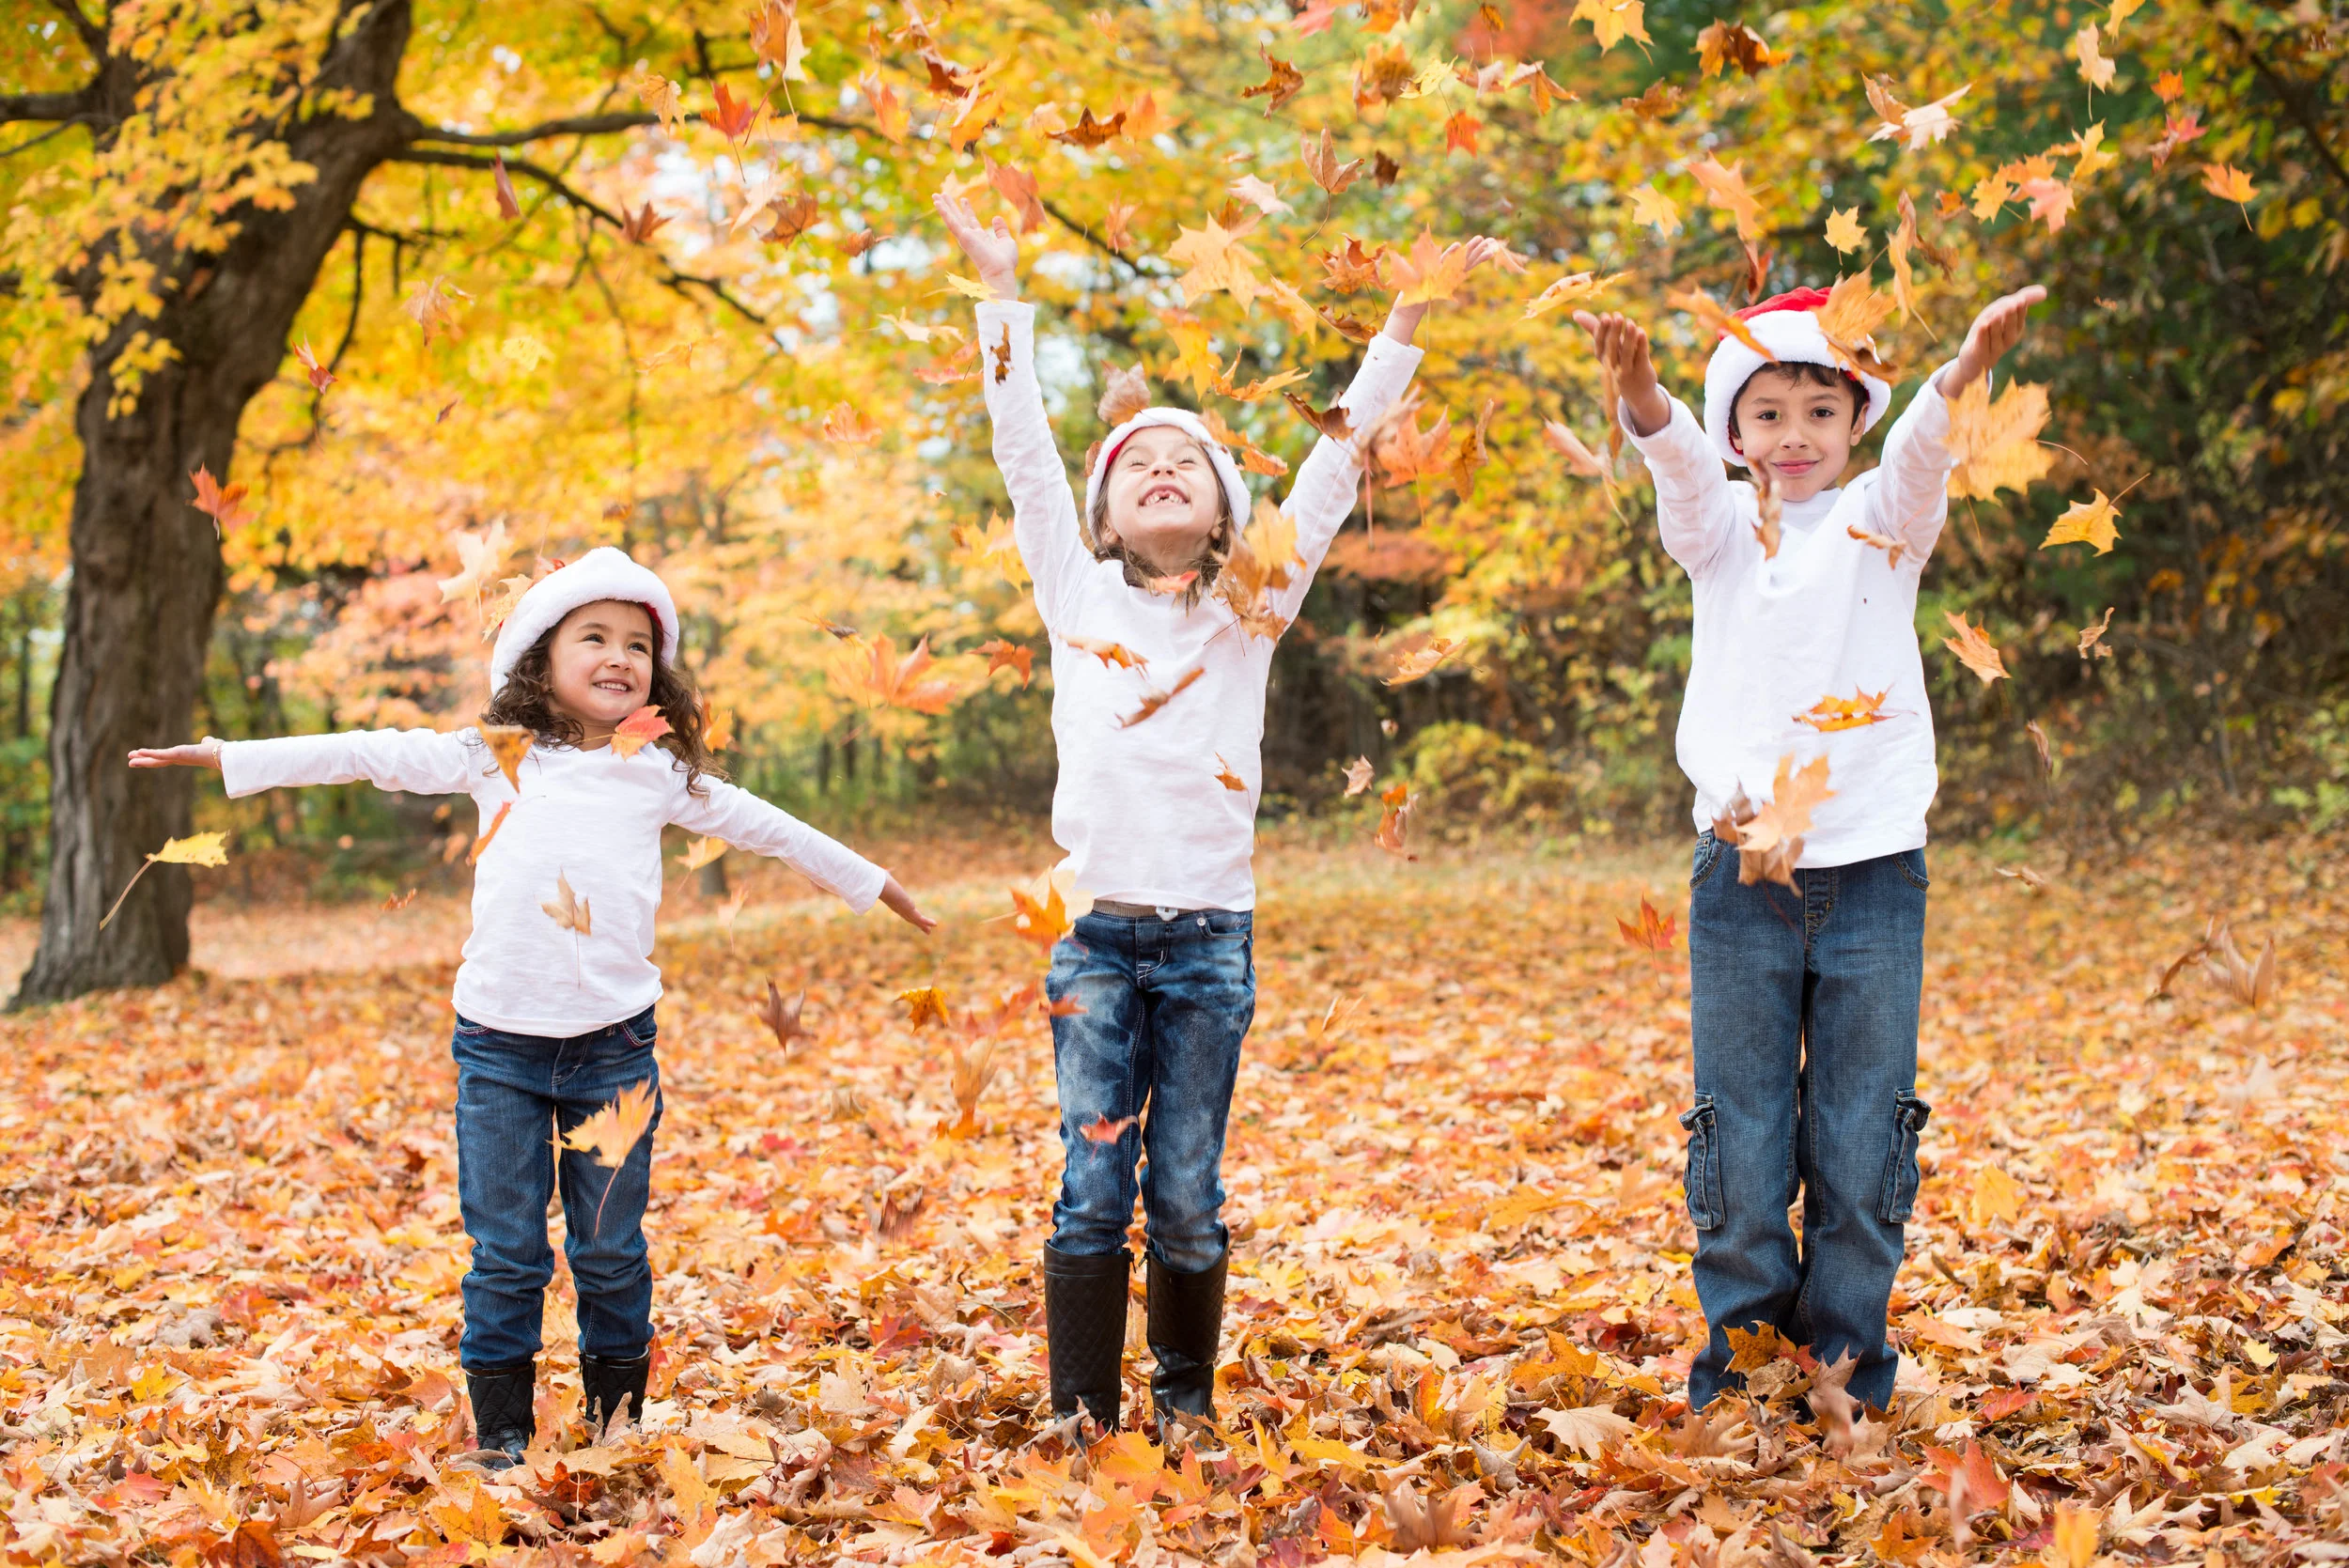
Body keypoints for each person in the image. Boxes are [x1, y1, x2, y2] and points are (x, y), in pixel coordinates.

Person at [130, 547, 935, 1466]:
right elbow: (366, 753)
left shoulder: (657, 770)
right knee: (508, 1253)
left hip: (616, 1053)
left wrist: (877, 884)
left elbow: (771, 827)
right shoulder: (495, 754)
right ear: (540, 657)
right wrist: (234, 756)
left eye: (638, 643)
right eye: (593, 635)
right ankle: (503, 1441)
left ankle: (615, 1428)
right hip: (499, 1053)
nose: (619, 655)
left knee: (608, 1252)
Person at [935, 187, 1501, 1434]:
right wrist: (999, 291)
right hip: (1092, 941)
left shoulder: (1253, 606)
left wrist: (1407, 312)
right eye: (1137, 461)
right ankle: (1084, 1413)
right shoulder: (1075, 596)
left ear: (1225, 510)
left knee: (1184, 1188)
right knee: (1092, 1185)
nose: (1161, 468)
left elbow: (1338, 456)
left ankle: (1184, 1406)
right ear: (1101, 513)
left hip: (1207, 945)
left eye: (1185, 458)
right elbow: (1021, 442)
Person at [1573, 282, 2045, 1410]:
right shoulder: (1725, 534)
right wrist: (1641, 393)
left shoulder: (1885, 517)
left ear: (1854, 424)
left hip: (1874, 869)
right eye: (1767, 413)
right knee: (1738, 1138)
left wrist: (1960, 372)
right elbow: (1680, 477)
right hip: (1740, 875)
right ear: (1738, 432)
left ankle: (1845, 1365)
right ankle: (1737, 1370)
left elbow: (1926, 457)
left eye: (1818, 413)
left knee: (1859, 1133)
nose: (1793, 436)